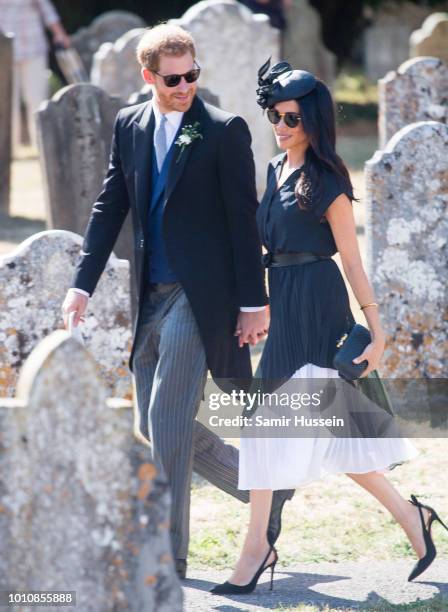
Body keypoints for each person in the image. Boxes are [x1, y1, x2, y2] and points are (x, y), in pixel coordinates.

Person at [61, 25, 294, 580]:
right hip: (151, 295)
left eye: (193, 74)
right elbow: (109, 205)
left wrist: (253, 302)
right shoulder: (130, 125)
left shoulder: (223, 130)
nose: (186, 85)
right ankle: (264, 489)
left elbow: (243, 219)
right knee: (154, 421)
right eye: (174, 78)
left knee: (167, 419)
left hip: (201, 297)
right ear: (149, 77)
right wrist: (81, 284)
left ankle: (167, 557)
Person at [210, 61, 448, 595]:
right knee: (340, 441)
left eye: (291, 116)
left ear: (313, 120)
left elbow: (353, 261)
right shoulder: (273, 170)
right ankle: (416, 520)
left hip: (319, 306)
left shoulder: (329, 181)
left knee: (263, 427)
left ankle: (256, 549)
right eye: (274, 114)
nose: (281, 124)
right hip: (284, 303)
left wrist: (378, 331)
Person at [0, 0, 71, 151]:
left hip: (33, 47)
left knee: (37, 98)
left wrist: (59, 34)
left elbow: (47, 10)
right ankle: (7, 148)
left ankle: (42, 146)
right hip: (3, 50)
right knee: (6, 102)